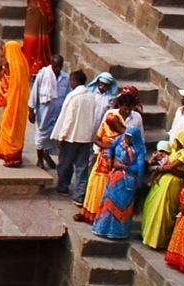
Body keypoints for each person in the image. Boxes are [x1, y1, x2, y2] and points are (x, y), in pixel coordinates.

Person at [141, 89, 184, 249]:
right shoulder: (179, 111)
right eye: (183, 97)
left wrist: (160, 167)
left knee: (165, 211)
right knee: (152, 204)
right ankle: (147, 234)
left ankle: (159, 240)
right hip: (171, 152)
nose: (183, 99)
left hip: (175, 170)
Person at [90, 89, 149, 240]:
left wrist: (126, 168)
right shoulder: (120, 138)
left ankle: (118, 232)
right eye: (125, 107)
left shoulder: (139, 150)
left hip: (127, 181)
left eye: (129, 137)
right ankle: (102, 228)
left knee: (123, 207)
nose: (127, 139)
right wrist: (111, 160)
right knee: (108, 203)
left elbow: (140, 167)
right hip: (115, 178)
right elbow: (109, 146)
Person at [79, 85, 143, 223]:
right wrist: (101, 148)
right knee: (97, 185)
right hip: (105, 157)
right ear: (120, 105)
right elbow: (98, 136)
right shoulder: (110, 116)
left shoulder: (137, 118)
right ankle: (92, 213)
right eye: (125, 107)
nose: (127, 110)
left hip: (124, 160)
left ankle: (108, 218)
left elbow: (139, 139)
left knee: (115, 190)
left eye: (130, 107)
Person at [53, 71, 116, 200]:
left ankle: (63, 187)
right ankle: (79, 195)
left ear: (74, 82)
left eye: (71, 81)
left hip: (71, 137)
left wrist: (62, 136)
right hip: (86, 137)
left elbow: (69, 119)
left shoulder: (74, 97)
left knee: (65, 164)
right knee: (82, 167)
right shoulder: (91, 97)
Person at [0, 39, 32, 167]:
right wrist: (1, 69)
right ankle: (3, 150)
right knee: (7, 126)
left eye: (4, 50)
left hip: (15, 103)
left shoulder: (17, 67)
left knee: (11, 129)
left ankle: (12, 157)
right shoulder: (16, 64)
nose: (3, 53)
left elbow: (14, 87)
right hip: (14, 103)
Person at [31, 54, 71, 171]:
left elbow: (69, 93)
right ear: (51, 64)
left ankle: (47, 155)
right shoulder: (42, 75)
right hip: (44, 111)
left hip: (58, 112)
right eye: (56, 66)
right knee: (41, 135)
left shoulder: (65, 78)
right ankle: (39, 159)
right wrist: (31, 110)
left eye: (60, 66)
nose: (58, 68)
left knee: (54, 136)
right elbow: (35, 92)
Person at [23, 0, 57, 75]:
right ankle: (29, 63)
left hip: (45, 16)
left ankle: (39, 63)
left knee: (41, 41)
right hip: (33, 15)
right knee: (32, 40)